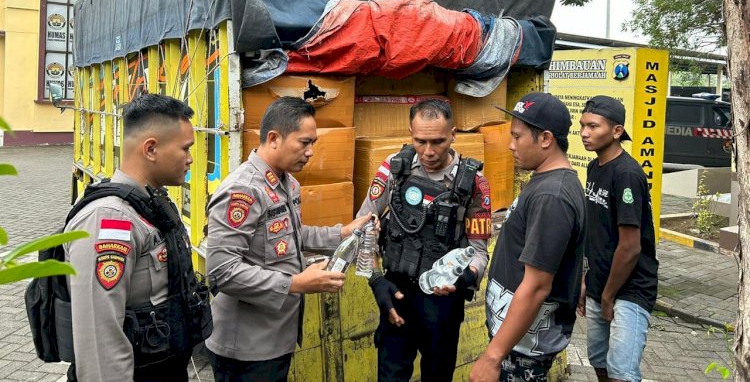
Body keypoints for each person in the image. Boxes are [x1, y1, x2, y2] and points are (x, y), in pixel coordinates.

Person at [205, 96, 374, 382]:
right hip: (246, 349)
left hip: (275, 337)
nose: (310, 152)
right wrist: (296, 284)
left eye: (313, 144)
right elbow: (222, 272)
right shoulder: (243, 192)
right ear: (273, 138)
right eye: (304, 142)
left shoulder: (286, 183)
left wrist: (342, 233)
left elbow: (293, 234)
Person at [64, 93, 206, 382]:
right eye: (185, 149)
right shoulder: (109, 220)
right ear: (151, 149)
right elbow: (99, 341)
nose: (191, 159)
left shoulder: (151, 204)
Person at [357, 98, 491, 382]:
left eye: (438, 142)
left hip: (442, 306)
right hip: (396, 296)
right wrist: (376, 280)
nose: (429, 151)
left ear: (453, 134)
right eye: (420, 141)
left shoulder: (474, 184)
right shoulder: (393, 170)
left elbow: (479, 251)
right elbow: (363, 228)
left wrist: (464, 278)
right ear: (410, 132)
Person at [470, 92, 585, 382]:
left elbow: (536, 286)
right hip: (517, 341)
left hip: (521, 352)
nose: (510, 145)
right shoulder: (547, 183)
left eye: (517, 137)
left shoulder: (552, 196)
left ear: (545, 139)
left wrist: (493, 356)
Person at [577, 95, 658, 382]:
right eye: (582, 125)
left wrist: (610, 296)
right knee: (599, 363)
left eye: (593, 127)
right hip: (601, 283)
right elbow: (596, 231)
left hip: (630, 289)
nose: (585, 133)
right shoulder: (593, 167)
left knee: (622, 373)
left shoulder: (627, 174)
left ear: (616, 131)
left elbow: (630, 246)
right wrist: (587, 279)